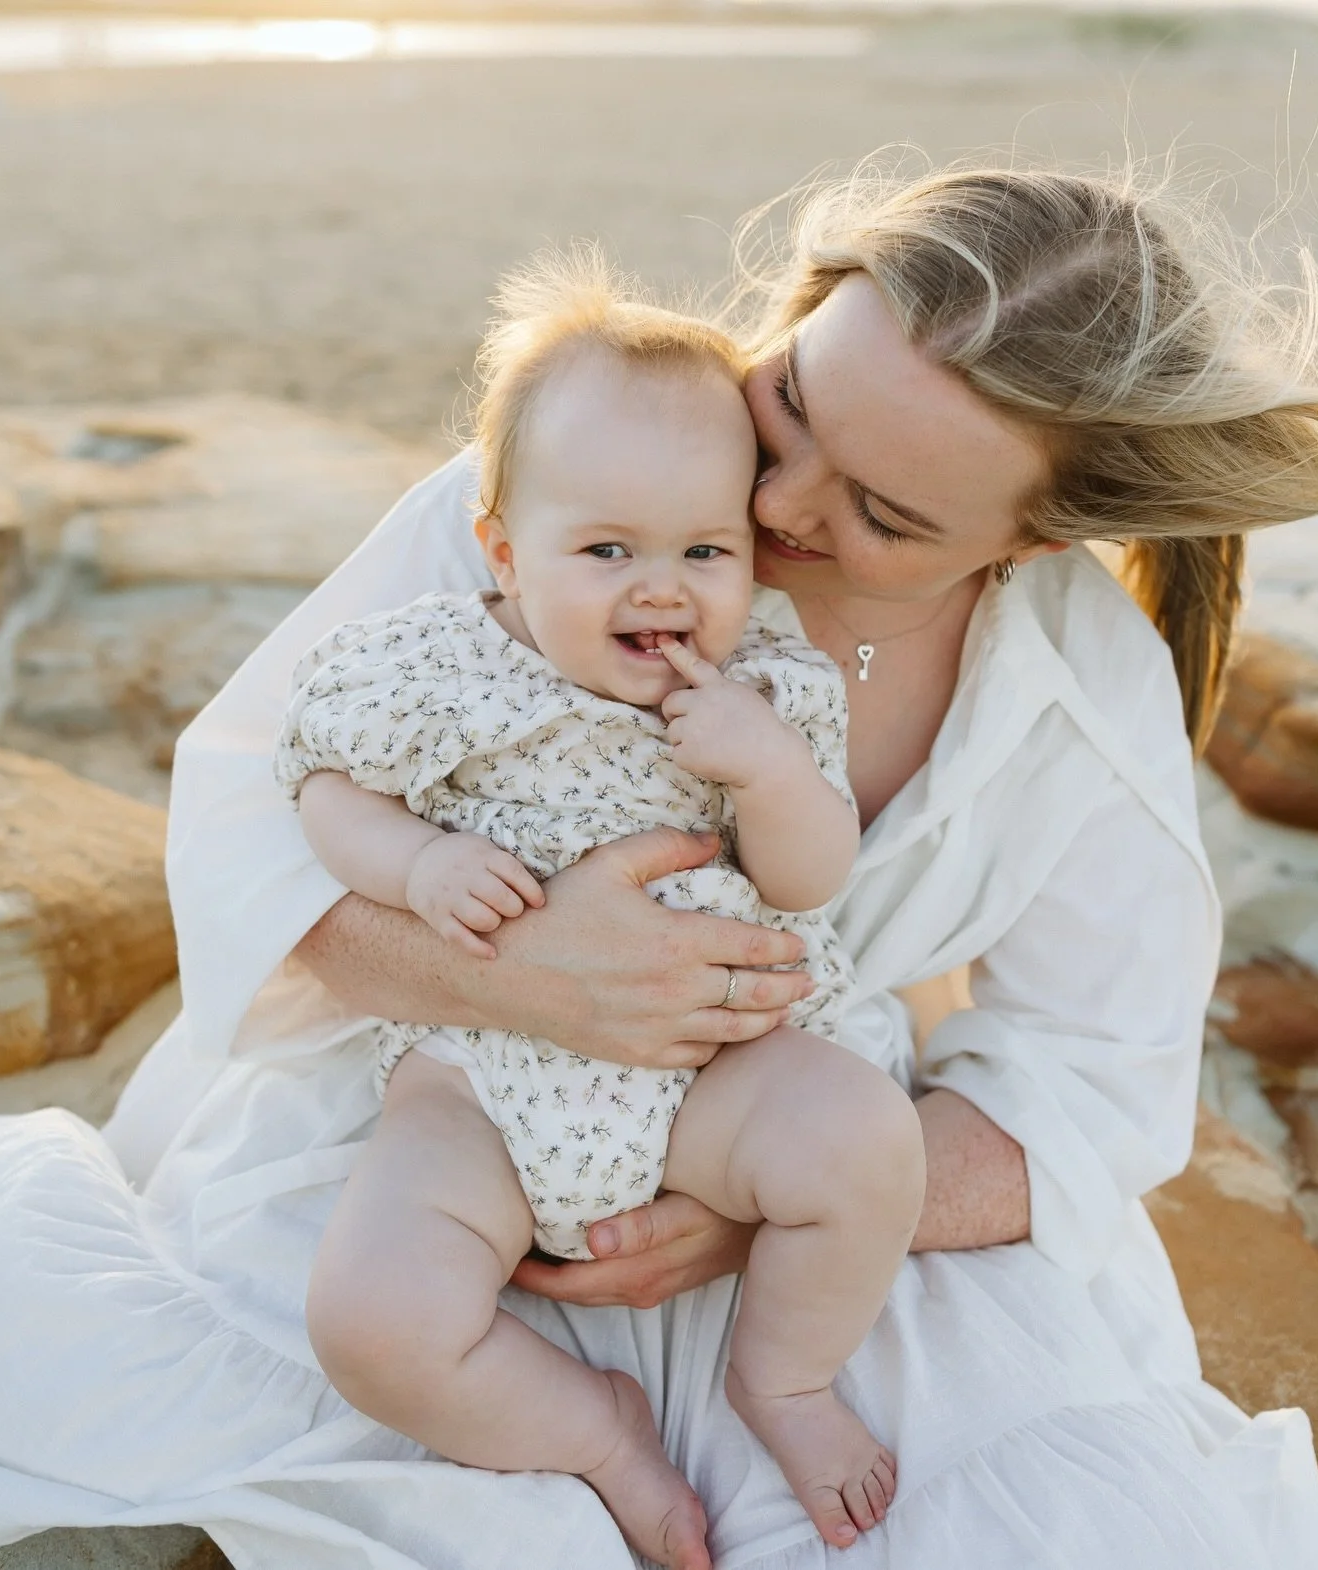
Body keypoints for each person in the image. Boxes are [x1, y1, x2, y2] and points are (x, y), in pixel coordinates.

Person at [0, 160, 1318, 1570]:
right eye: (796, 404)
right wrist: (507, 971)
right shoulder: (580, 477)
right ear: (807, 307)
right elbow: (260, 799)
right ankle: (588, 1427)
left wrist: (751, 1220)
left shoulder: (1080, 678)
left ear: (1038, 534)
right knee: (378, 1382)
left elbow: (1095, 1077)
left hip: (790, 1180)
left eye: (887, 514)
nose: (778, 503)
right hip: (446, 1102)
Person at [278, 255, 915, 1564]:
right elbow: (322, 790)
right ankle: (598, 1431)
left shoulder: (762, 687)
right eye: (607, 549)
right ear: (505, 551)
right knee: (369, 1321)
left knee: (865, 1139)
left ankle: (783, 1376)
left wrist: (774, 771)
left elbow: (811, 875)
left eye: (703, 549)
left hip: (708, 1071)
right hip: (475, 1079)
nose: (662, 587)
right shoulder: (442, 660)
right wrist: (413, 865)